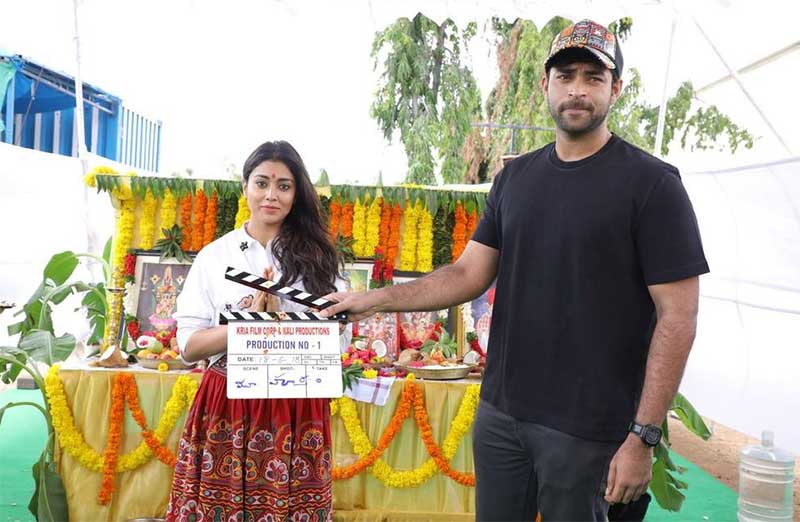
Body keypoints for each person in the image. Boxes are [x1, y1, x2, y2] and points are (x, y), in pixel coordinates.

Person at [322, 19, 709, 521]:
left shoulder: (653, 185)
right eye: (565, 76)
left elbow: (678, 317)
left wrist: (644, 436)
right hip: (502, 416)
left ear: (615, 89)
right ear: (546, 84)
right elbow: (467, 274)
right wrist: (372, 300)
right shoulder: (515, 179)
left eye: (593, 77)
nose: (577, 90)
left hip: (590, 429)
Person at [166, 140, 350, 521]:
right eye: (262, 183)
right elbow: (189, 345)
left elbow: (340, 340)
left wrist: (282, 323)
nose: (271, 195)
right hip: (227, 404)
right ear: (245, 186)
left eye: (284, 186)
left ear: (296, 194)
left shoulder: (320, 260)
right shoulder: (215, 257)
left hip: (296, 404)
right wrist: (247, 325)